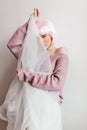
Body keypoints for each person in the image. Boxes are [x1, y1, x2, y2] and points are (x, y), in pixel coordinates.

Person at [0, 8, 69, 130]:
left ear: (51, 35)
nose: (41, 40)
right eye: (38, 37)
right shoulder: (33, 56)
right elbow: (13, 44)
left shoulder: (60, 54)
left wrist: (27, 76)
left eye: (44, 36)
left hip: (47, 107)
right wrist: (30, 24)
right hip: (27, 104)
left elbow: (57, 83)